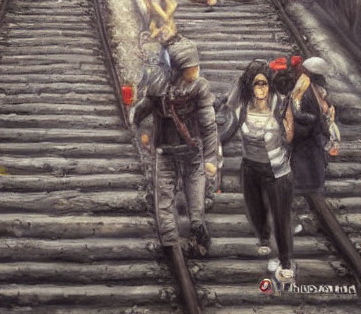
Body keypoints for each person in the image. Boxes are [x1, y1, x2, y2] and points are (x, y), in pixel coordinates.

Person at [132, 36, 218, 258]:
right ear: (180, 69)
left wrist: (210, 158)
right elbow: (141, 111)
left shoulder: (199, 88)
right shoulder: (160, 88)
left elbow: (209, 125)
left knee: (196, 212)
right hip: (170, 153)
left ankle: (197, 239)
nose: (196, 70)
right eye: (192, 67)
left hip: (191, 154)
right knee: (164, 206)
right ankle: (172, 249)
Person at [225, 60, 295, 285]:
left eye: (265, 84)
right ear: (250, 87)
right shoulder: (243, 106)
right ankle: (263, 237)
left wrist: (287, 131)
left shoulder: (281, 104)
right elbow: (230, 121)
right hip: (250, 167)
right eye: (256, 84)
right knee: (255, 210)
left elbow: (292, 135)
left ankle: (285, 262)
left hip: (276, 171)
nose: (262, 89)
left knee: (281, 217)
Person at [289, 57, 339, 200]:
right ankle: (307, 186)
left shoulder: (309, 84)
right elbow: (298, 106)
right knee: (309, 157)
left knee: (312, 157)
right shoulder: (305, 86)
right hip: (309, 129)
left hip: (312, 128)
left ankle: (311, 186)